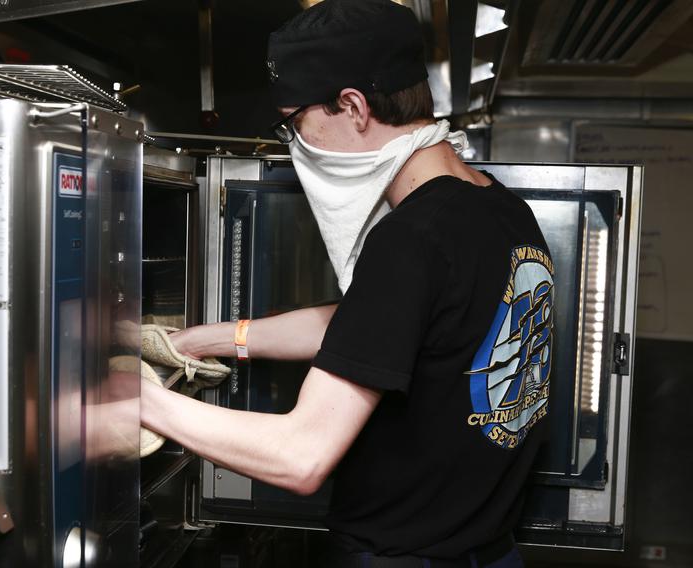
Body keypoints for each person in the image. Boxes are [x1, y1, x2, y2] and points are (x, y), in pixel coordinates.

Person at [139, 1, 555, 566]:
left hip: (403, 557)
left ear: (353, 107)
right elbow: (379, 325)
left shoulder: (411, 238)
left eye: (295, 123)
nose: (297, 142)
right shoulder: (501, 208)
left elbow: (301, 457)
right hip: (488, 550)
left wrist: (129, 401)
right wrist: (199, 342)